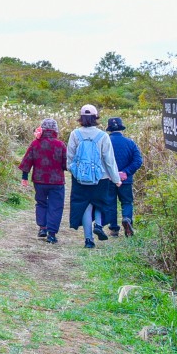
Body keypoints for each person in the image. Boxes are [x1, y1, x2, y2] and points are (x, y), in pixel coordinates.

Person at [67, 104, 122, 248]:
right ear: (95, 117)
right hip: (101, 177)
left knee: (85, 206)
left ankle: (88, 239)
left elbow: (70, 157)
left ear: (81, 117)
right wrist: (116, 179)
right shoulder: (103, 136)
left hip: (80, 178)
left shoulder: (75, 134)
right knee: (100, 202)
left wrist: (73, 171)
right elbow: (109, 160)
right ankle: (98, 224)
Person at [19, 118, 67, 244]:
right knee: (55, 207)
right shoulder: (60, 145)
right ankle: (51, 234)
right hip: (57, 182)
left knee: (41, 203)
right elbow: (65, 164)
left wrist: (24, 178)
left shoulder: (35, 144)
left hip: (39, 181)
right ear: (55, 130)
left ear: (43, 129)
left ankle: (42, 227)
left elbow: (27, 161)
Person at [104, 117, 143, 237]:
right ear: (121, 128)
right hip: (126, 180)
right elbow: (138, 161)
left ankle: (114, 229)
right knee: (126, 202)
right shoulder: (130, 143)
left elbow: (100, 160)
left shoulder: (105, 142)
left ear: (109, 129)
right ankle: (127, 219)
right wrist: (125, 172)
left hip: (108, 179)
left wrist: (111, 173)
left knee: (111, 202)